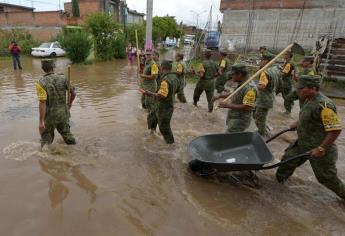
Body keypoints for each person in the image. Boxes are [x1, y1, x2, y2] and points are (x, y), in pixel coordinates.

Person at [276, 75, 345, 200]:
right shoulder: (307, 99)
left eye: (300, 88)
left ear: (313, 88)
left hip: (321, 148)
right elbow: (309, 116)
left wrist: (321, 149)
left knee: (326, 178)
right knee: (287, 162)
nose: (297, 91)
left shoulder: (324, 106)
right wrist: (298, 123)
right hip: (303, 144)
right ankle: (277, 190)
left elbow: (335, 130)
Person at [36, 59, 76, 147]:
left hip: (50, 116)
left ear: (43, 68)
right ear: (53, 67)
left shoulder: (41, 83)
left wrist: (41, 121)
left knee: (46, 141)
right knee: (69, 138)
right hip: (63, 114)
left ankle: (44, 159)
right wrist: (69, 104)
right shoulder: (63, 78)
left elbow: (42, 103)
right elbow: (73, 93)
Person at [140, 60, 181, 144]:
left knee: (164, 127)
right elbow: (178, 90)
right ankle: (152, 133)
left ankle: (170, 144)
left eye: (160, 67)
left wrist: (149, 93)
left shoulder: (165, 81)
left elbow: (161, 95)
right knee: (151, 117)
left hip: (164, 106)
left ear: (163, 68)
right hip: (162, 104)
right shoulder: (175, 77)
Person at [212, 64, 256, 132]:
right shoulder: (242, 83)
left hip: (240, 120)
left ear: (240, 74)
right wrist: (220, 96)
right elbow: (235, 93)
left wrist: (227, 105)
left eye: (233, 74)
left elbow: (248, 107)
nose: (231, 76)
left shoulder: (250, 88)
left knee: (228, 138)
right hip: (234, 117)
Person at [254, 53, 281, 137]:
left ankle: (262, 134)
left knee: (259, 117)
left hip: (263, 98)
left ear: (266, 61)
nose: (260, 61)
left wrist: (254, 87)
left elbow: (262, 86)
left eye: (262, 60)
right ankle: (264, 129)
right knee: (262, 116)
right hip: (270, 95)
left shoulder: (265, 72)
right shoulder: (275, 69)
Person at [140, 50, 159, 129]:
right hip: (145, 86)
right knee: (143, 102)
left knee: (150, 103)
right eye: (146, 55)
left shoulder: (153, 64)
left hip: (151, 87)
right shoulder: (146, 62)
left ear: (152, 56)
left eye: (149, 55)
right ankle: (146, 115)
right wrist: (141, 72)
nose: (147, 56)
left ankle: (153, 118)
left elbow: (154, 76)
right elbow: (144, 72)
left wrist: (143, 76)